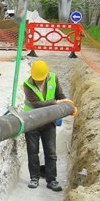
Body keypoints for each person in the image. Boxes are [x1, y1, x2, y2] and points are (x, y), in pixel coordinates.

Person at [22, 59, 72, 191]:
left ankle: (52, 180)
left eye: (40, 79)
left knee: (51, 152)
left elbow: (60, 95)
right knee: (32, 151)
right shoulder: (27, 84)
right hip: (32, 121)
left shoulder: (53, 79)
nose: (38, 81)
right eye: (36, 79)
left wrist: (65, 104)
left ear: (46, 74)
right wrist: (56, 103)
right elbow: (36, 104)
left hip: (48, 121)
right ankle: (34, 177)